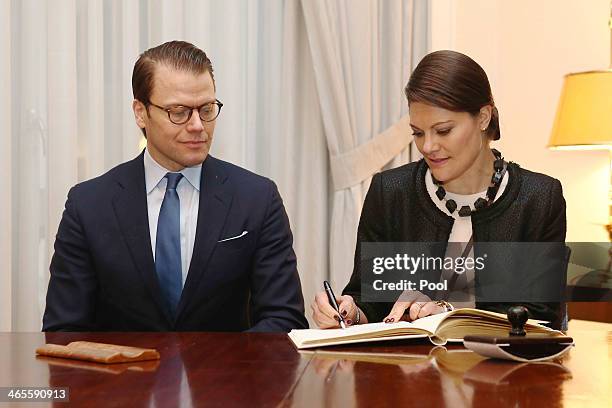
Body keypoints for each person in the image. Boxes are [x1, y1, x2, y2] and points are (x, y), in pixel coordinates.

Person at [43, 40, 308, 332]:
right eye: (179, 112)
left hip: (225, 376)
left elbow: (284, 320)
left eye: (206, 109)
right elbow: (63, 331)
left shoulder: (256, 198)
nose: (197, 125)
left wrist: (216, 371)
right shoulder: (89, 205)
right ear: (141, 112)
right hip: (121, 376)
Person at [312, 50, 566, 329]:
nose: (428, 147)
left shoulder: (539, 197)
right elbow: (370, 298)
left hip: (501, 369)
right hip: (407, 369)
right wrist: (349, 312)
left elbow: (541, 316)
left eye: (443, 131)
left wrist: (449, 312)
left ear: (483, 118)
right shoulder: (390, 192)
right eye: (418, 133)